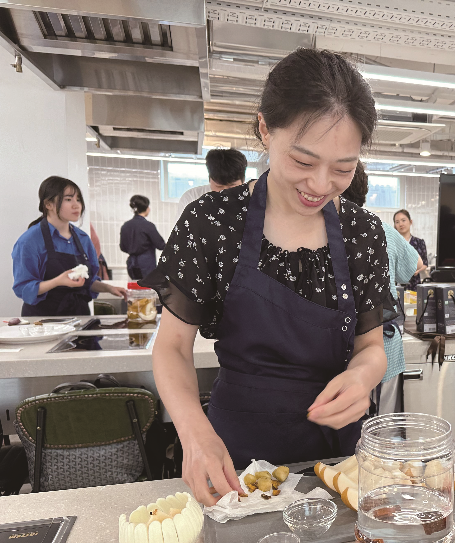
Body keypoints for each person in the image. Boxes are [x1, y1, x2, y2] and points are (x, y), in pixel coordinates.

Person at [143, 49, 394, 506]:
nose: (320, 184)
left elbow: (372, 348)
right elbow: (173, 347)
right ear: (264, 130)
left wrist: (361, 378)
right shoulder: (212, 221)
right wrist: (194, 433)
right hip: (235, 457)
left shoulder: (363, 232)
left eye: (343, 168)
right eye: (303, 161)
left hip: (338, 466)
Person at [343, 161, 420, 414]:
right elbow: (415, 264)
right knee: (381, 431)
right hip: (383, 346)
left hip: (340, 348)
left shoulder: (313, 228)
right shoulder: (381, 229)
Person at [12, 176, 127, 315]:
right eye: (68, 199)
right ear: (48, 204)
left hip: (79, 317)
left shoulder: (83, 238)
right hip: (43, 322)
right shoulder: (30, 241)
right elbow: (23, 288)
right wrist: (58, 281)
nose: (76, 205)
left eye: (78, 199)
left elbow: (88, 282)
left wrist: (108, 288)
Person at [176, 148, 248, 219]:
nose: (225, 192)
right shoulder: (191, 198)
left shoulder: (251, 203)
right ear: (209, 179)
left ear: (243, 181)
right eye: (219, 186)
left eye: (232, 186)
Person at [119, 195, 166, 280]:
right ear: (147, 208)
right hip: (146, 264)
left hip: (131, 264)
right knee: (148, 289)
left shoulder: (125, 226)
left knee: (136, 289)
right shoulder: (148, 226)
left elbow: (123, 247)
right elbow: (161, 245)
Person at [393, 209, 428, 290]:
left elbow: (425, 264)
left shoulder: (419, 242)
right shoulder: (392, 243)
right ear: (395, 226)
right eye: (397, 222)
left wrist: (417, 270)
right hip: (396, 286)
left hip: (415, 285)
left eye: (403, 220)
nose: (401, 224)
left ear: (410, 221)